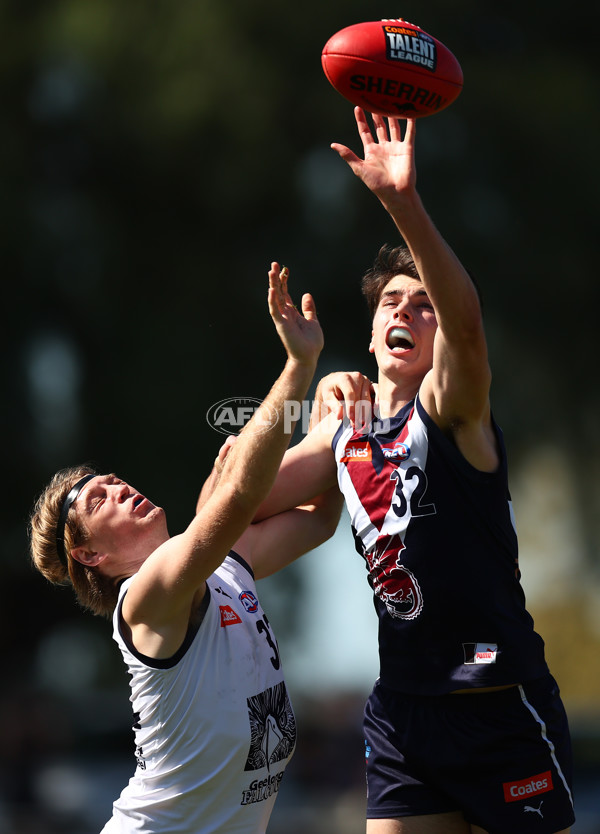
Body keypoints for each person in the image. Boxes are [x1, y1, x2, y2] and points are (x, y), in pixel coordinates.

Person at [254, 108, 575, 834]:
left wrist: (403, 204)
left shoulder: (453, 412)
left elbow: (467, 325)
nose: (407, 310)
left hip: (496, 704)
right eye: (392, 301)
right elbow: (230, 507)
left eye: (423, 304)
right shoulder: (347, 434)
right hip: (403, 713)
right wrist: (299, 381)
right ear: (370, 335)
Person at [28, 265, 343, 834]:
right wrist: (299, 369)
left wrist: (334, 411)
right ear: (89, 556)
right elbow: (243, 493)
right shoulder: (146, 597)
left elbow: (321, 518)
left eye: (114, 482)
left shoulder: (224, 569)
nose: (121, 489)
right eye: (101, 502)